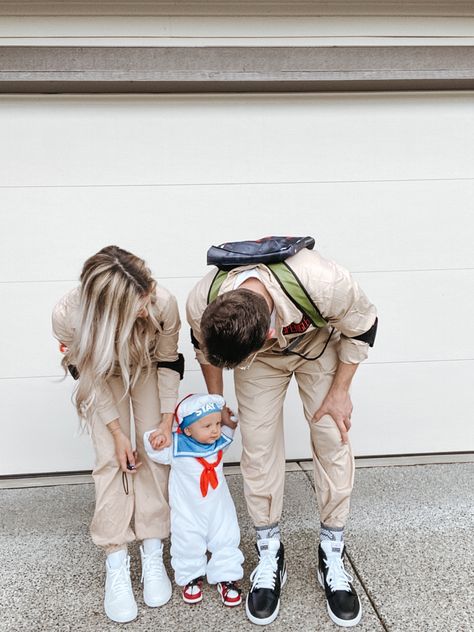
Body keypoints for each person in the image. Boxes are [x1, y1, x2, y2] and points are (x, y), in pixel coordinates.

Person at [186, 243, 377, 627]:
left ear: (270, 330)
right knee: (256, 447)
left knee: (331, 435)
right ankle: (270, 551)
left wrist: (341, 392)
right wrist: (215, 402)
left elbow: (364, 326)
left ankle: (332, 551)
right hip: (259, 361)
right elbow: (205, 352)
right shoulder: (202, 299)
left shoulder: (324, 282)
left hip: (316, 345)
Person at [52, 245, 182, 624]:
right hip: (101, 373)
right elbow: (87, 374)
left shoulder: (162, 302)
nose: (147, 307)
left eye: (147, 297)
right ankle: (116, 559)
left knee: (154, 450)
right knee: (112, 457)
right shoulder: (69, 316)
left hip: (144, 366)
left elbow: (170, 359)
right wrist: (116, 431)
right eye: (137, 305)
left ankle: (153, 548)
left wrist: (165, 417)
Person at [144, 393, 244, 607]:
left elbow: (227, 432)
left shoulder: (217, 443)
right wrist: (158, 439)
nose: (215, 430)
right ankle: (190, 576)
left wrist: (230, 422)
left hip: (219, 508)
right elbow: (154, 449)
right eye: (207, 426)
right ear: (188, 429)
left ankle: (226, 576)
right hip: (188, 510)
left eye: (217, 423)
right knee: (186, 540)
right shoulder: (177, 446)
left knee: (226, 536)